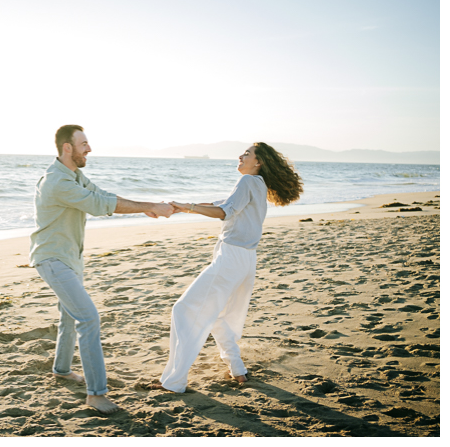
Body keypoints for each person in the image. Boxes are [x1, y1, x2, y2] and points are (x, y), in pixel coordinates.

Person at [30, 124, 174, 413]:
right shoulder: (57, 182)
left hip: (70, 258)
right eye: (84, 144)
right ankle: (96, 394)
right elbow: (99, 204)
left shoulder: (76, 175)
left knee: (70, 317)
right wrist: (149, 205)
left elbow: (104, 195)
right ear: (67, 147)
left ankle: (61, 369)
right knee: (88, 318)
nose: (90, 149)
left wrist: (145, 206)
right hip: (53, 259)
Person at [159, 143, 303, 391]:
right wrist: (183, 206)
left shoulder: (247, 182)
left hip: (231, 258)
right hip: (246, 259)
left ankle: (173, 382)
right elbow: (222, 203)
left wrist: (189, 207)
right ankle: (238, 370)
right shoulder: (257, 185)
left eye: (247, 154)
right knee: (220, 317)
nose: (241, 156)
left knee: (183, 309)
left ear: (258, 162)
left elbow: (224, 211)